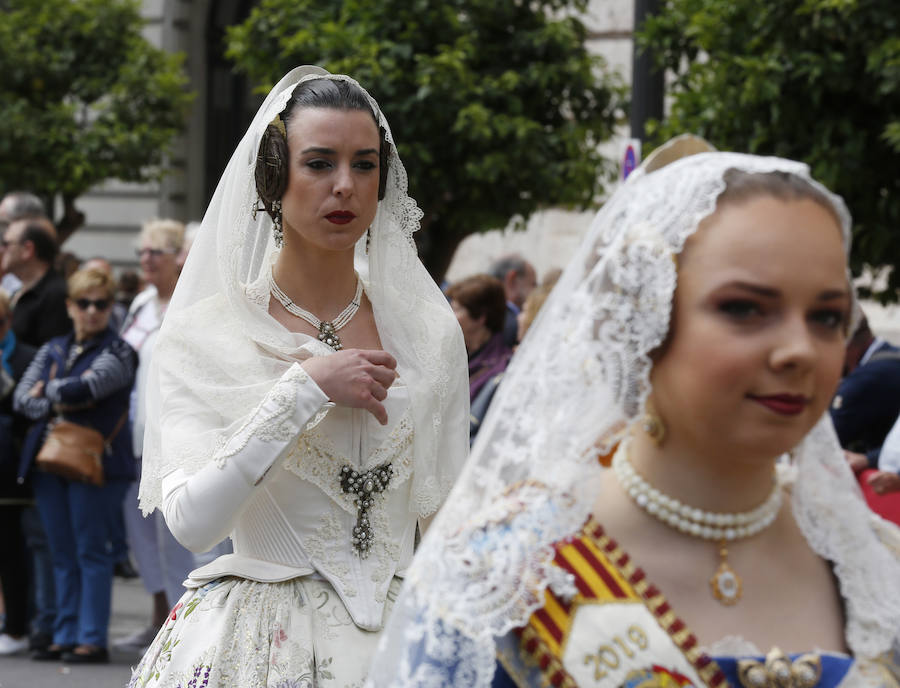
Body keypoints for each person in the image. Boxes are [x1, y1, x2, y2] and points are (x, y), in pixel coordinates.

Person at [368, 150, 900, 687]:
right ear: (641, 319)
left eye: (827, 317)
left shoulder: (872, 567)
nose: (799, 350)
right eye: (744, 308)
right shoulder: (504, 576)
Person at [129, 66, 468, 687]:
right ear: (274, 176)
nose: (345, 186)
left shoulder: (428, 332)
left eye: (365, 165)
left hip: (403, 648)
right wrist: (303, 390)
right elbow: (193, 523)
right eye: (319, 163)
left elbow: (447, 524)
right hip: (260, 650)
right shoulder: (206, 333)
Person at [13, 267, 137, 664]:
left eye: (101, 304)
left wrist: (48, 391)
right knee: (60, 551)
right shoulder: (54, 347)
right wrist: (62, 397)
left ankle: (91, 638)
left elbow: (90, 387)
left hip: (96, 463)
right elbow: (20, 399)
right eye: (83, 303)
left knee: (92, 552)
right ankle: (65, 633)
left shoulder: (120, 351)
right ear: (69, 306)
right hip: (49, 461)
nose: (92, 311)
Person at [115, 219, 198, 653]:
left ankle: (187, 624)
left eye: (156, 253)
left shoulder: (190, 303)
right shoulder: (142, 303)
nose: (146, 260)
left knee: (179, 532)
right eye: (142, 252)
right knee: (141, 532)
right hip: (132, 433)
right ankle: (158, 614)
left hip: (173, 435)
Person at [0, 289, 37, 656]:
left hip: (9, 469)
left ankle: (16, 625)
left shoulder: (25, 357)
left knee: (12, 550)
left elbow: (27, 410)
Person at [447, 274, 513, 444]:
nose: (449, 315)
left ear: (480, 318)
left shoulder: (500, 369)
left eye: (458, 309)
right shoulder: (453, 352)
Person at [1, 216, 71, 348]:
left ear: (28, 250)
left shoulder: (56, 294)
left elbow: (52, 356)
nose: (1, 250)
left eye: (6, 244)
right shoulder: (17, 290)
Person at [488, 254, 537, 348]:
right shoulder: (512, 323)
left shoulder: (481, 312)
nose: (536, 292)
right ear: (512, 279)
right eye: (533, 284)